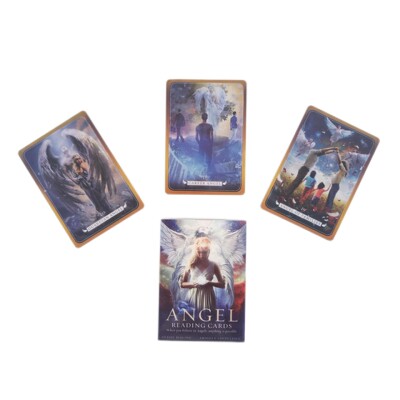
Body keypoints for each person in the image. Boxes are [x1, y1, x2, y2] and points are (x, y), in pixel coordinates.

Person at [181, 237, 225, 311]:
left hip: (208, 297)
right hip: (193, 296)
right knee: (192, 316)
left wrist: (210, 283)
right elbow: (182, 284)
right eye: (199, 252)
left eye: (204, 252)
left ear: (209, 251)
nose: (201, 255)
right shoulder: (191, 264)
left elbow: (222, 284)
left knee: (208, 316)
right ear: (196, 251)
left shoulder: (214, 265)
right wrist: (193, 284)